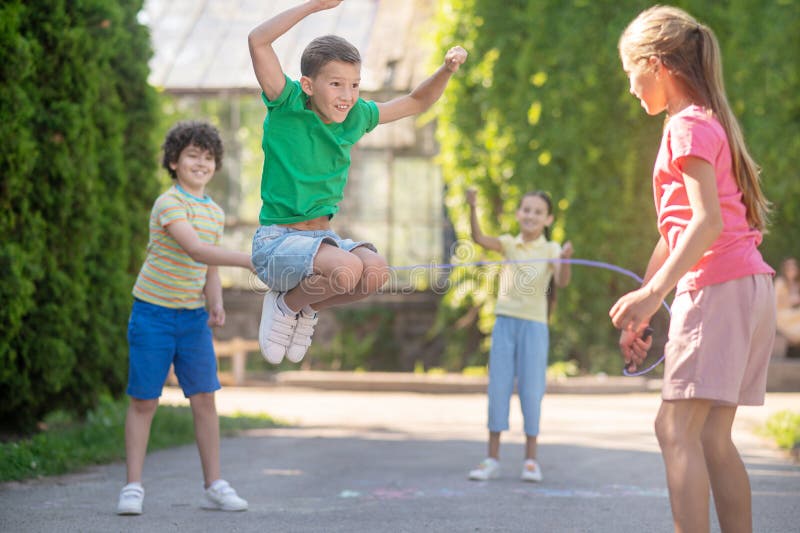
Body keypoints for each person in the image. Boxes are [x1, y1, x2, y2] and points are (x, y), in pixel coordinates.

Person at [610, 6, 775, 532]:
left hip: (718, 288)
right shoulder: (705, 121)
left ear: (657, 65)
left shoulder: (685, 127)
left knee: (674, 428)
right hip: (748, 286)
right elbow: (675, 231)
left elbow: (705, 224)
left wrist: (655, 294)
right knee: (710, 437)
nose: (631, 88)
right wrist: (644, 304)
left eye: (631, 73)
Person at [247, 0, 467, 365]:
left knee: (375, 273)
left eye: (354, 85)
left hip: (321, 241)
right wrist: (314, 6)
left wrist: (446, 69)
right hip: (277, 245)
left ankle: (305, 308)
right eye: (335, 84)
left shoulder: (356, 116)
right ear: (308, 85)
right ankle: (286, 304)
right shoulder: (286, 104)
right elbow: (257, 41)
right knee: (347, 269)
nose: (347, 95)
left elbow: (416, 101)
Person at [117, 121, 254, 515]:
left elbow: (209, 268)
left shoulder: (214, 212)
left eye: (209, 157)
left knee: (204, 399)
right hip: (152, 315)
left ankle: (215, 484)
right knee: (144, 401)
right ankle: (132, 487)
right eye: (193, 155)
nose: (201, 163)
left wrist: (216, 302)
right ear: (174, 162)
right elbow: (196, 251)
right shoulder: (168, 203)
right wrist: (249, 261)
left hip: (192, 319)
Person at [465, 188, 573, 483]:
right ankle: (492, 459)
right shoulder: (510, 245)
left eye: (538, 212)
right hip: (505, 324)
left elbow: (561, 281)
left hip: (534, 326)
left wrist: (565, 259)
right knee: (498, 388)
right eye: (526, 210)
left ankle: (530, 460)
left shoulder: (551, 249)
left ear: (547, 218)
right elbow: (479, 239)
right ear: (518, 214)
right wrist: (472, 207)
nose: (531, 216)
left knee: (531, 390)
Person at [774, 257, 800, 357]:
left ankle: (794, 349)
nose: (791, 270)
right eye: (789, 268)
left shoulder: (797, 283)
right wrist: (790, 300)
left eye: (793, 267)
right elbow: (776, 301)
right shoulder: (780, 283)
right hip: (783, 314)